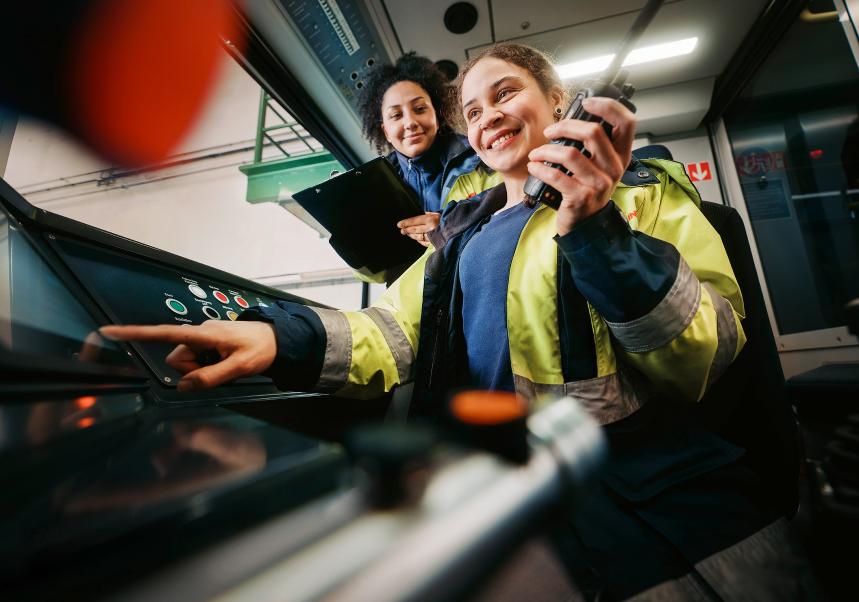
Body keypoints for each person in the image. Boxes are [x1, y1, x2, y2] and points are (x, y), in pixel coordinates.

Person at [103, 43, 810, 598]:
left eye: (505, 93)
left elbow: (707, 356)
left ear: (557, 102)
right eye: (471, 111)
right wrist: (275, 337)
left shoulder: (643, 198)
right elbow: (390, 330)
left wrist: (600, 234)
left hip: (654, 511)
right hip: (504, 504)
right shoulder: (460, 234)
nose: (487, 116)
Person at [354, 52, 499, 282]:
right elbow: (378, 276)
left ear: (437, 115)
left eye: (419, 109)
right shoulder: (374, 188)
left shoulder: (483, 159)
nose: (410, 122)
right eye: (396, 115)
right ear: (385, 132)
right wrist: (354, 245)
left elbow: (510, 226)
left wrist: (449, 228)